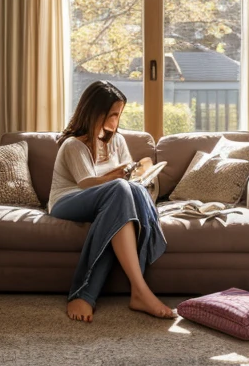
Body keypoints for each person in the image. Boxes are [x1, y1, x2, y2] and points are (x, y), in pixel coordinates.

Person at [48, 81, 174, 322]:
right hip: (68, 200)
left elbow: (129, 174)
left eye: (119, 114)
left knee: (126, 196)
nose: (117, 120)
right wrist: (118, 176)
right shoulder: (73, 144)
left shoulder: (117, 140)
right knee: (120, 188)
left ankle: (128, 292)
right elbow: (85, 183)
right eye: (113, 114)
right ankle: (136, 289)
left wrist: (137, 177)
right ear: (96, 111)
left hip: (108, 202)